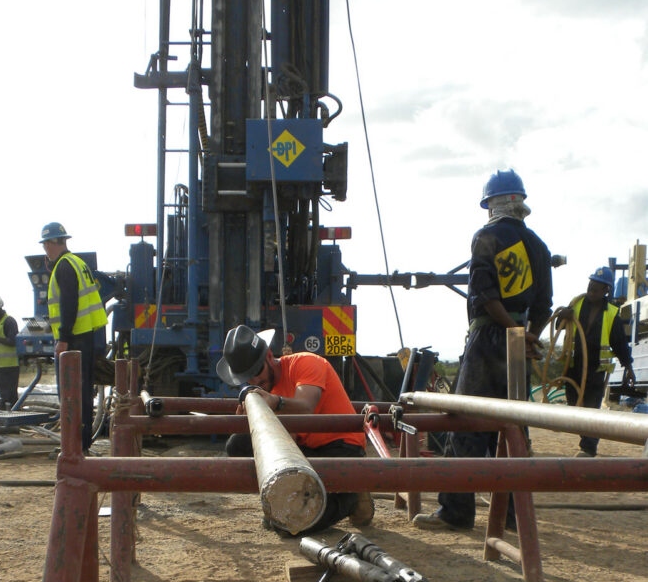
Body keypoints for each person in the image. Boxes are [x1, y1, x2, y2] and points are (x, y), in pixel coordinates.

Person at [413, 168, 553, 531]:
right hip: (517, 345)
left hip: (489, 340)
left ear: (491, 204)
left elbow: (484, 295)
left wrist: (510, 330)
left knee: (464, 424)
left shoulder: (487, 237)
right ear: (521, 203)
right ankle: (511, 515)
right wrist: (527, 336)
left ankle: (456, 512)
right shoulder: (538, 246)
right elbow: (544, 307)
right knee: (513, 429)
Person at [216, 325, 374, 532]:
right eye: (248, 377)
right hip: (306, 451)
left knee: (293, 525)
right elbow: (284, 437)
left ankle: (352, 497)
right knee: (238, 444)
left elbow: (306, 406)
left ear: (269, 356)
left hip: (341, 448)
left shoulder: (306, 363)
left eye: (257, 372)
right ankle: (292, 499)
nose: (256, 381)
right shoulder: (267, 388)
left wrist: (275, 402)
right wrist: (252, 423)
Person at [40, 222, 107, 452]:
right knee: (83, 392)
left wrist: (63, 338)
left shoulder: (64, 267)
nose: (45, 250)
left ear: (51, 243)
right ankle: (82, 443)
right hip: (86, 336)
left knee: (71, 394)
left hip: (74, 339)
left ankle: (75, 446)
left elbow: (70, 304)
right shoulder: (77, 263)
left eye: (45, 245)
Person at [562, 266, 636, 457]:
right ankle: (586, 439)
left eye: (596, 288)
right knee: (575, 406)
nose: (591, 290)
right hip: (573, 368)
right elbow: (560, 324)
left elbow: (619, 343)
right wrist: (563, 314)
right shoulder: (576, 305)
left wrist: (628, 368)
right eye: (590, 285)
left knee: (591, 408)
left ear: (606, 290)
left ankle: (588, 448)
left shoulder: (611, 313)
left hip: (596, 370)